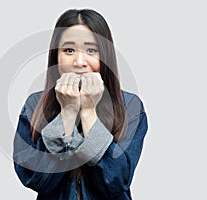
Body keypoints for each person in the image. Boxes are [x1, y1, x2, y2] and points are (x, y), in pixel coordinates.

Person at [13, 8, 148, 200]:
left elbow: (117, 180)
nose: (79, 61)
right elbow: (34, 179)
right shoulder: (35, 105)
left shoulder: (131, 107)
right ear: (55, 57)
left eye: (91, 50)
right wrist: (67, 113)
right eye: (69, 50)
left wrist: (89, 113)